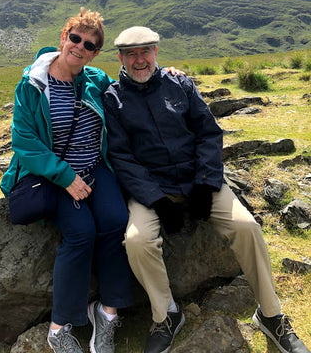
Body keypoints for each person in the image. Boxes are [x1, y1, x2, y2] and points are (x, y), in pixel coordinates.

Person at [102, 26, 310, 353]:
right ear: (120, 57)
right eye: (131, 54)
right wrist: (156, 199)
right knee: (137, 241)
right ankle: (166, 315)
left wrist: (204, 183)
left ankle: (271, 315)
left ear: (156, 52)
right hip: (153, 190)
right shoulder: (113, 99)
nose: (139, 60)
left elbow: (209, 134)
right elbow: (121, 156)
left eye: (146, 52)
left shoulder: (181, 84)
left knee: (247, 227)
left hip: (199, 181)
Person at [0, 8, 133, 353]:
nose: (80, 47)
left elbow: (129, 85)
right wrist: (65, 177)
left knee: (116, 222)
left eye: (89, 45)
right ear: (63, 37)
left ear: (94, 53)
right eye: (75, 38)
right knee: (80, 233)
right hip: (55, 175)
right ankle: (59, 328)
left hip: (95, 168)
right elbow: (25, 142)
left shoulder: (95, 80)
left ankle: (107, 312)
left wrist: (166, 74)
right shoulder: (32, 85)